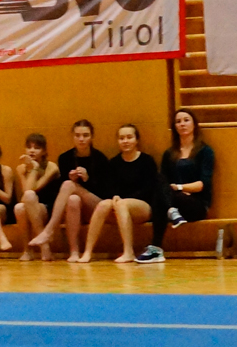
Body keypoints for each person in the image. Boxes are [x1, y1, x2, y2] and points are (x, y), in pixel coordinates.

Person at [28, 120, 109, 263]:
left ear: (92, 137)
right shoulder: (65, 158)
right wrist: (71, 178)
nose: (81, 139)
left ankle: (49, 230)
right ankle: (74, 251)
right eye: (77, 135)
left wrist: (87, 179)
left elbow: (105, 191)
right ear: (73, 137)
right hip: (74, 205)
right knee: (72, 199)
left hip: (96, 205)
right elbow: (60, 191)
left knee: (68, 185)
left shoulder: (100, 158)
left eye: (85, 135)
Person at [83, 124, 161, 264]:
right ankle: (87, 252)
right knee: (103, 204)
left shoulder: (147, 161)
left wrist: (124, 199)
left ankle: (128, 251)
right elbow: (109, 187)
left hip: (143, 206)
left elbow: (150, 188)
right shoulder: (114, 162)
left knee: (122, 204)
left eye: (129, 137)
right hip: (119, 204)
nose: (125, 141)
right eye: (121, 138)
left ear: (136, 140)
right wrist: (114, 196)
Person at [149, 108, 215, 264]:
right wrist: (173, 193)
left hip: (197, 204)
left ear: (194, 124)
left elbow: (203, 184)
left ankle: (155, 247)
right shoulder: (169, 154)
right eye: (178, 122)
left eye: (186, 120)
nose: (182, 124)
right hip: (174, 201)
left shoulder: (205, 151)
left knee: (162, 199)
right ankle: (171, 211)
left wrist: (180, 188)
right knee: (157, 180)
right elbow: (162, 182)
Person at [15, 134, 57, 263]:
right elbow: (26, 192)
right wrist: (31, 168)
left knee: (29, 196)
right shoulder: (21, 168)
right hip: (30, 205)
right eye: (29, 147)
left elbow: (34, 189)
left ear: (44, 151)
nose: (32, 151)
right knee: (19, 208)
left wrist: (34, 168)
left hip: (48, 207)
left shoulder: (51, 167)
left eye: (37, 148)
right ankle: (28, 250)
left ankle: (44, 246)